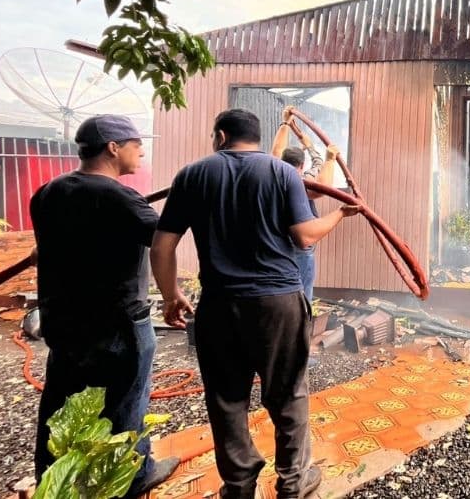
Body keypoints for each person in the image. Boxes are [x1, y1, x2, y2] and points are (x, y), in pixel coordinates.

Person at [150, 109, 359, 499]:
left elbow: (162, 244)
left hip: (219, 304)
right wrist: (340, 216)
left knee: (226, 398)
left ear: (221, 135)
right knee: (287, 393)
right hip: (277, 303)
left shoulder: (193, 174)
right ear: (257, 138)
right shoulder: (282, 173)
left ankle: (239, 484)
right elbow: (305, 237)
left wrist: (169, 295)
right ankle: (294, 483)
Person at [30, 115, 178, 493]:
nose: (141, 150)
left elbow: (43, 250)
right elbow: (163, 241)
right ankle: (134, 477)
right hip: (117, 323)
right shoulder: (119, 196)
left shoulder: (48, 192)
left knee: (62, 402)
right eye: (135, 143)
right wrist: (171, 294)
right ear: (114, 148)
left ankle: (54, 477)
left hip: (62, 321)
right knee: (126, 403)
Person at [269, 106, 340, 304]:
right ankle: (300, 326)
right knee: (301, 297)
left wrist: (286, 124)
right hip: (298, 245)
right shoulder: (301, 180)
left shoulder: (272, 173)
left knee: (276, 291)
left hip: (273, 242)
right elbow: (322, 187)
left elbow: (276, 152)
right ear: (301, 166)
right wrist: (331, 160)